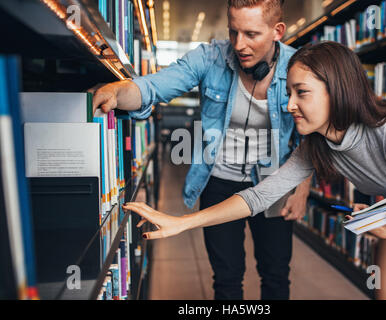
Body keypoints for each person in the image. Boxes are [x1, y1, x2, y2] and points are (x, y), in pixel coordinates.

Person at [123, 41, 386, 300]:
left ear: (336, 91)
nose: (289, 104)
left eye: (301, 93)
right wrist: (182, 222)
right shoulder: (316, 144)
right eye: (289, 91)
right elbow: (259, 195)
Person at [91, 0, 312, 300]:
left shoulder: (299, 66)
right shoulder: (210, 58)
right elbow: (152, 87)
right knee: (226, 277)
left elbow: (312, 132)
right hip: (218, 183)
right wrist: (118, 91)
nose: (239, 44)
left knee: (275, 273)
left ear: (278, 31)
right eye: (233, 32)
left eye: (251, 34)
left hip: (273, 184)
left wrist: (301, 190)